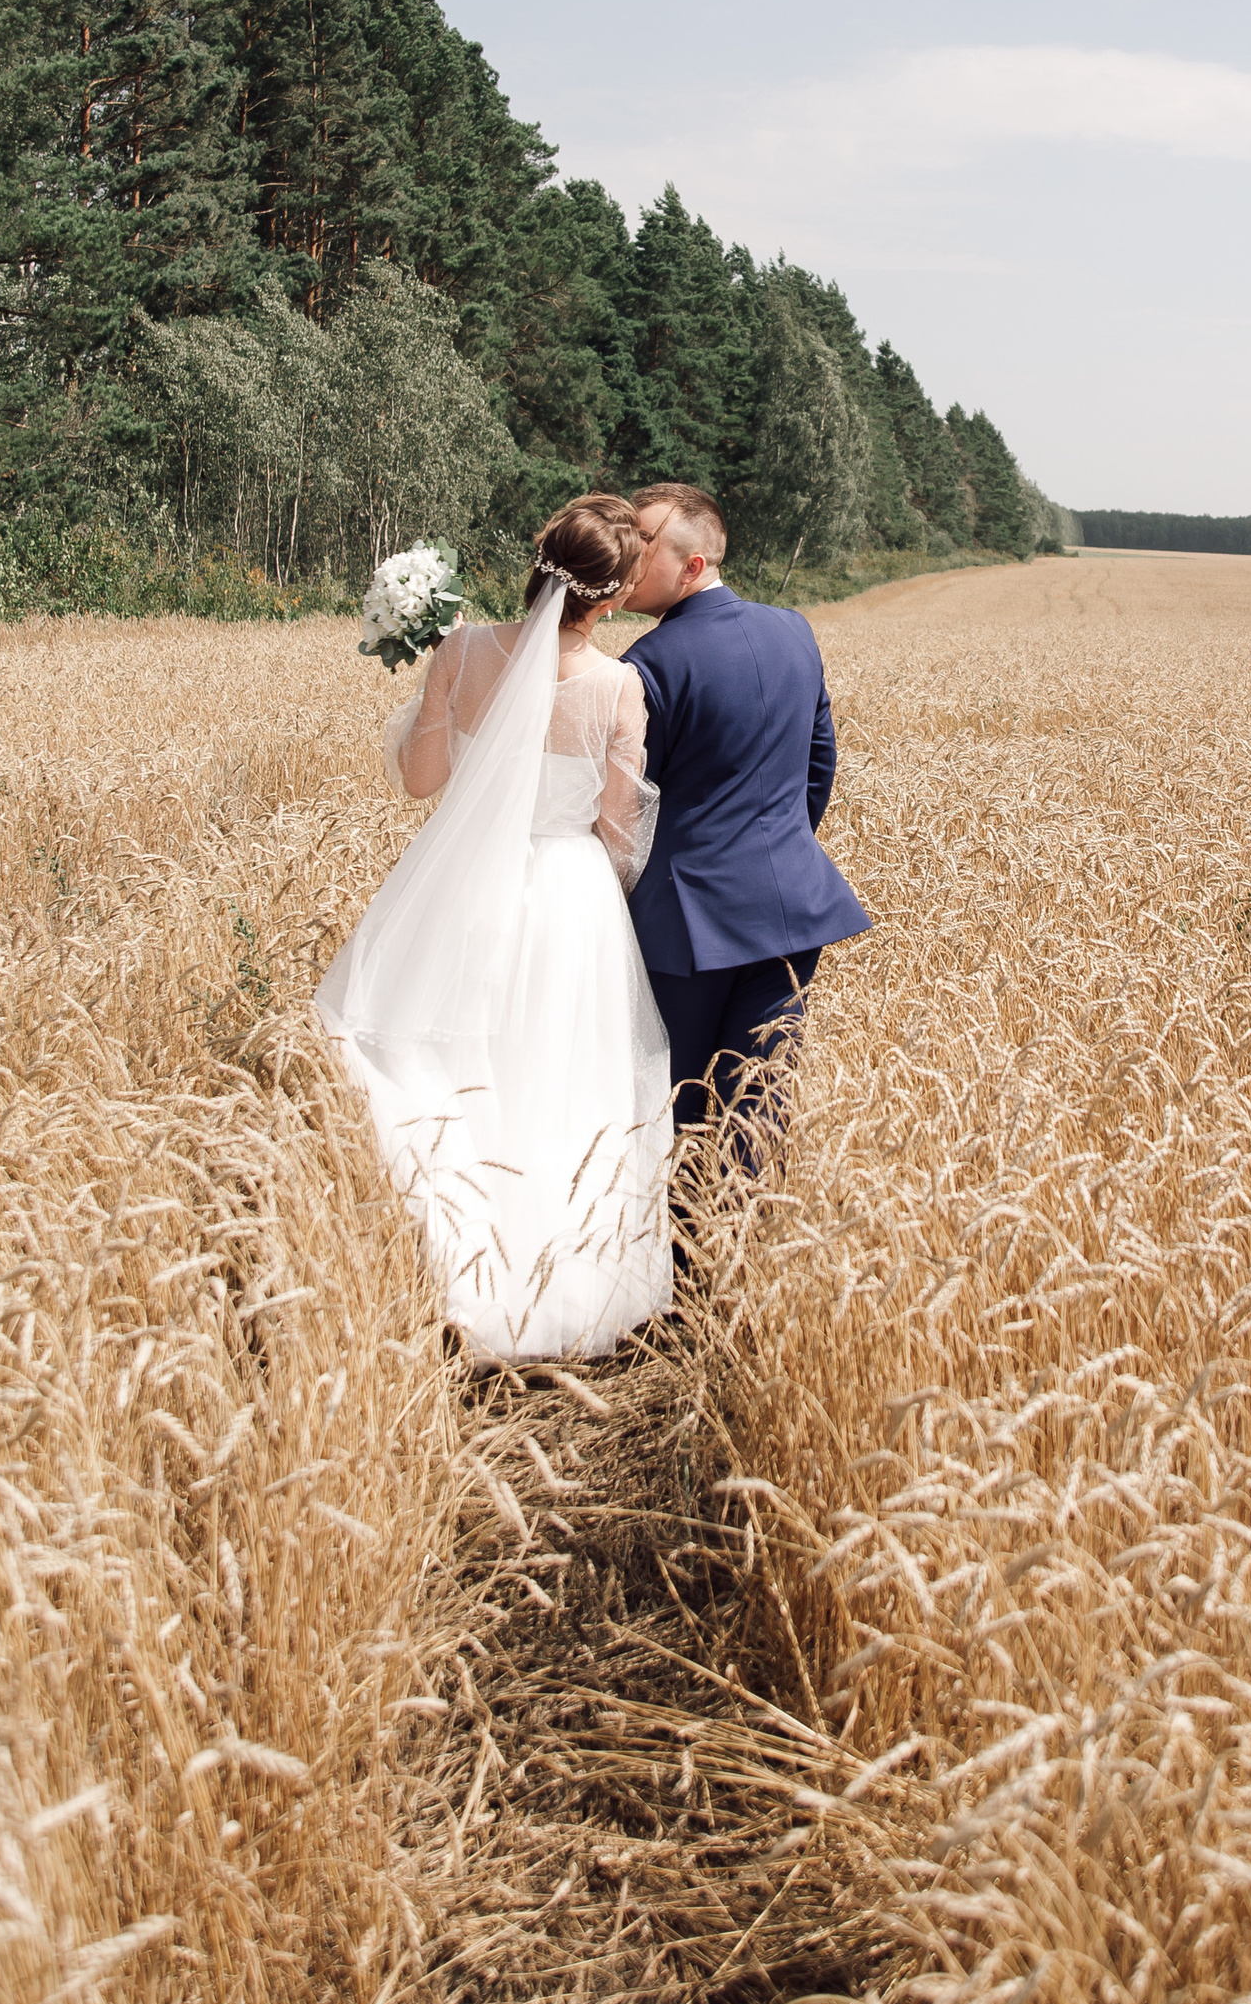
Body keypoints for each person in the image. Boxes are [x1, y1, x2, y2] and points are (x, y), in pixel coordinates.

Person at [314, 495, 671, 1361]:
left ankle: (446, 1271)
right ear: (613, 598)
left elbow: (420, 779)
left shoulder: (463, 650)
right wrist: (603, 902)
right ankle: (556, 1287)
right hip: (567, 895)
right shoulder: (619, 688)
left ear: (537, 563)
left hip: (459, 882)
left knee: (442, 1066)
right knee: (557, 1081)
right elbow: (618, 830)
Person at [615, 481, 869, 1165]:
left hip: (687, 924)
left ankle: (680, 1238)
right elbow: (819, 763)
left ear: (692, 565)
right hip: (792, 906)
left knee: (673, 1107)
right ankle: (744, 1231)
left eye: (643, 543)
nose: (626, 555)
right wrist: (778, 850)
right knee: (757, 1103)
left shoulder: (648, 663)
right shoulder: (794, 630)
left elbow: (628, 803)